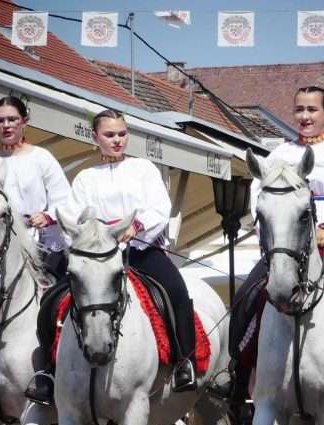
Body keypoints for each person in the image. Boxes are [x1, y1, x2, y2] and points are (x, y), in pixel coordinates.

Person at [26, 108, 196, 405]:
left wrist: (137, 226)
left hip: (140, 251)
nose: (117, 140)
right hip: (98, 259)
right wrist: (62, 223)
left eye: (122, 133)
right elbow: (72, 215)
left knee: (177, 291)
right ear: (95, 138)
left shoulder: (144, 169)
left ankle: (184, 363)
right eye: (109, 135)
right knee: (52, 300)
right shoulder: (85, 178)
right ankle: (49, 372)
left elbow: (159, 207)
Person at [228, 85, 324, 400]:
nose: (305, 116)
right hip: (287, 245)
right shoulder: (280, 154)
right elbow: (260, 196)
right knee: (246, 297)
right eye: (300, 110)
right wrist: (271, 236)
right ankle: (237, 373)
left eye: (312, 110)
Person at [0, 95, 73, 278]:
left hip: (41, 243)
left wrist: (47, 216)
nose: (6, 125)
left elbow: (65, 200)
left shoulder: (41, 157)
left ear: (24, 122)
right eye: (0, 121)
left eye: (12, 119)